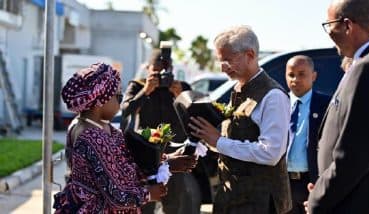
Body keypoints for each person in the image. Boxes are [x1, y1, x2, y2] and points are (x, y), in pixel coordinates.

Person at [189, 25, 292, 214]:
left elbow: (271, 153)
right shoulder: (239, 89)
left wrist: (219, 142)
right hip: (233, 198)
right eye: (221, 61)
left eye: (228, 60)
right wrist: (207, 136)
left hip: (259, 203)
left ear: (250, 55)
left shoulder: (273, 96)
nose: (222, 67)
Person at [53, 62, 166, 213]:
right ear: (101, 101)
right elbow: (117, 195)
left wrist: (167, 162)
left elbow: (127, 162)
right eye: (118, 96)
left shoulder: (97, 126)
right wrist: (149, 194)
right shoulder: (92, 136)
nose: (120, 103)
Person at [305, 0, 369, 213]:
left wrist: (317, 200)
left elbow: (354, 155)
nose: (328, 33)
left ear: (347, 25)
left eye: (329, 25)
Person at [120, 49, 201, 214]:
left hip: (175, 154)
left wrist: (181, 95)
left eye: (165, 71)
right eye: (156, 71)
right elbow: (126, 110)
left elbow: (195, 114)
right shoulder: (138, 85)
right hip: (145, 155)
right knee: (145, 205)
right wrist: (146, 91)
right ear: (148, 68)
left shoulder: (181, 86)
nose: (161, 76)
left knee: (175, 203)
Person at [284, 55, 331, 214]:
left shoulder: (326, 105)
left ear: (314, 76)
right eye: (291, 75)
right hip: (283, 182)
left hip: (311, 182)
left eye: (301, 74)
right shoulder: (278, 103)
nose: (295, 79)